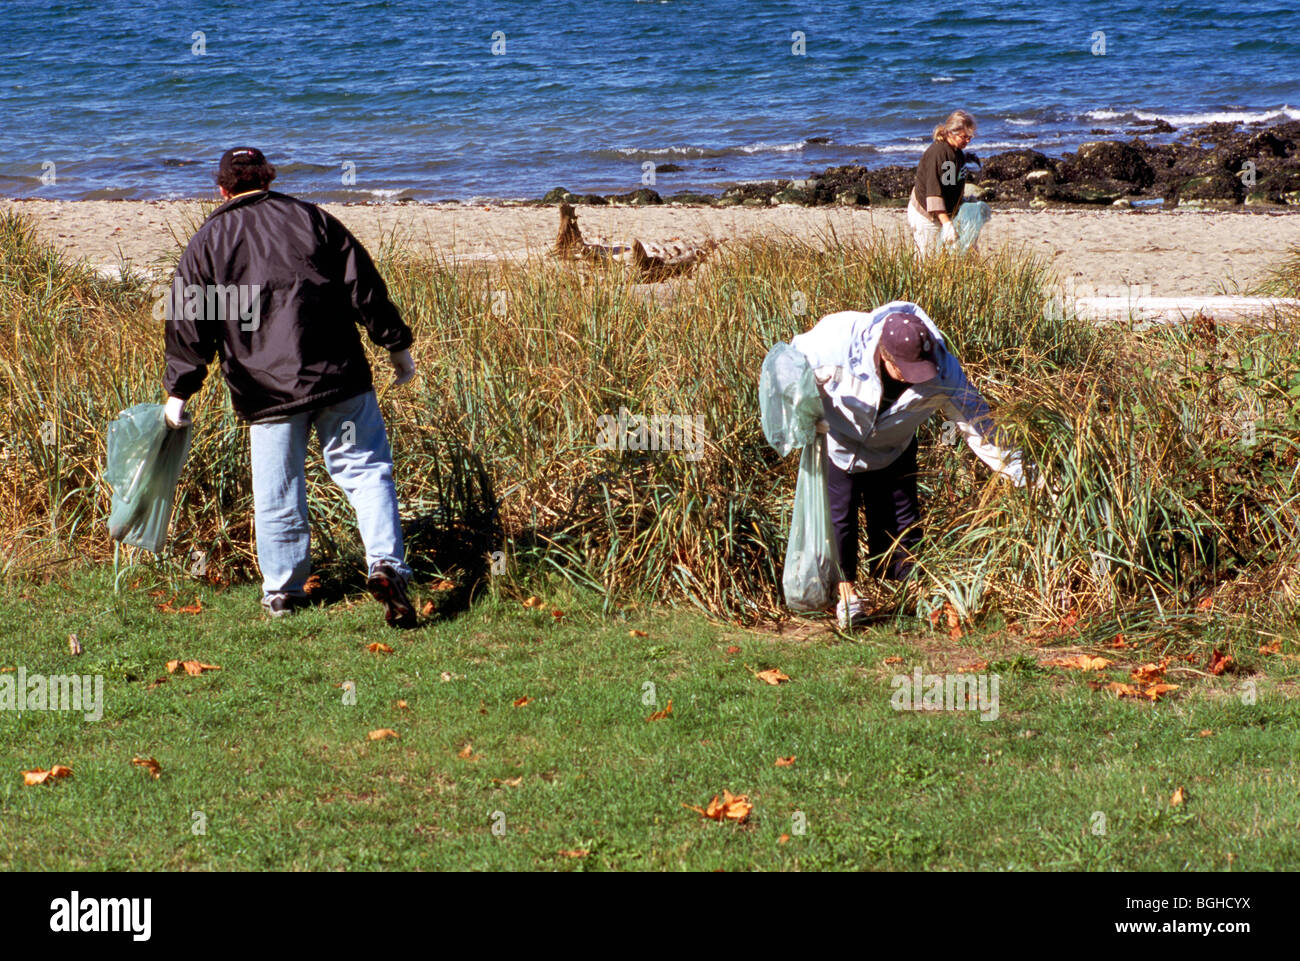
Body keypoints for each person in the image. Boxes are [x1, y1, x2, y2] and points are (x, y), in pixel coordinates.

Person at [161, 147, 420, 627]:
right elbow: (363, 285)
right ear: (270, 177)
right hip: (338, 379)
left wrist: (180, 389)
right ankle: (385, 564)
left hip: (267, 392)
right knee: (365, 472)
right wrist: (395, 345)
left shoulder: (209, 239)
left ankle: (284, 593)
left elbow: (189, 321)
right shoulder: (313, 219)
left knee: (278, 490)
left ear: (221, 189)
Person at [789, 301, 1028, 630]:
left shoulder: (942, 367)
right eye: (906, 370)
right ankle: (847, 598)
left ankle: (911, 597)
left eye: (921, 371)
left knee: (904, 522)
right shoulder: (836, 340)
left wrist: (1025, 477)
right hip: (840, 442)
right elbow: (787, 367)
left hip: (894, 445)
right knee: (839, 520)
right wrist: (804, 408)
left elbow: (979, 425)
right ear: (884, 355)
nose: (916, 379)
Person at [908, 110, 976, 257]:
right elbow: (934, 192)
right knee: (926, 260)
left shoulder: (956, 152)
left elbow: (950, 184)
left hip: (944, 213)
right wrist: (946, 224)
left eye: (970, 137)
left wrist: (962, 203)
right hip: (925, 215)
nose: (968, 141)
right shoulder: (939, 153)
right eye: (964, 137)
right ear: (951, 133)